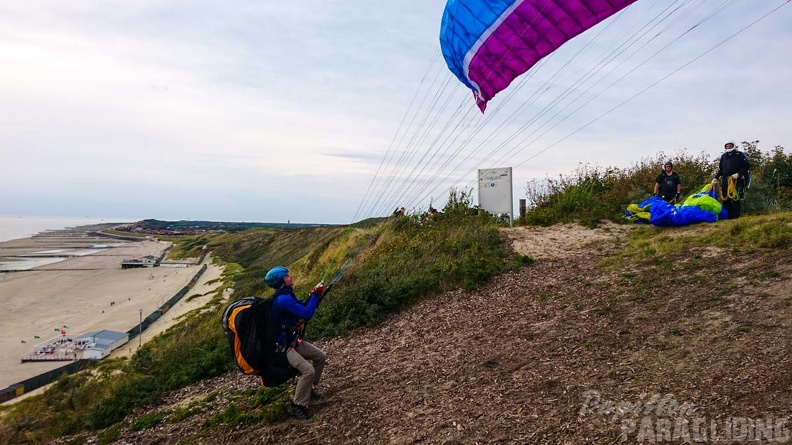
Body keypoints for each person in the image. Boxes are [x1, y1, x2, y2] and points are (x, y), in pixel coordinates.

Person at [265, 266, 327, 420]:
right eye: (287, 276)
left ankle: (308, 390)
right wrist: (315, 296)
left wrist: (314, 295)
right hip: (283, 347)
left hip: (292, 340)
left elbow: (303, 308)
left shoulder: (287, 295)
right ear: (281, 282)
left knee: (320, 357)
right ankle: (297, 405)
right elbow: (307, 313)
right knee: (308, 371)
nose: (290, 277)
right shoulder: (282, 300)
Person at [714, 140, 750, 219]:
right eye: (726, 146)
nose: (728, 147)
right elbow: (721, 170)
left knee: (735, 197)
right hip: (725, 180)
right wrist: (716, 178)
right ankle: (726, 216)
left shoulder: (739, 155)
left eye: (729, 145)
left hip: (736, 179)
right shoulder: (723, 157)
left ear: (733, 146)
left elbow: (747, 166)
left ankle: (735, 216)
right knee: (725, 198)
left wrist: (738, 174)